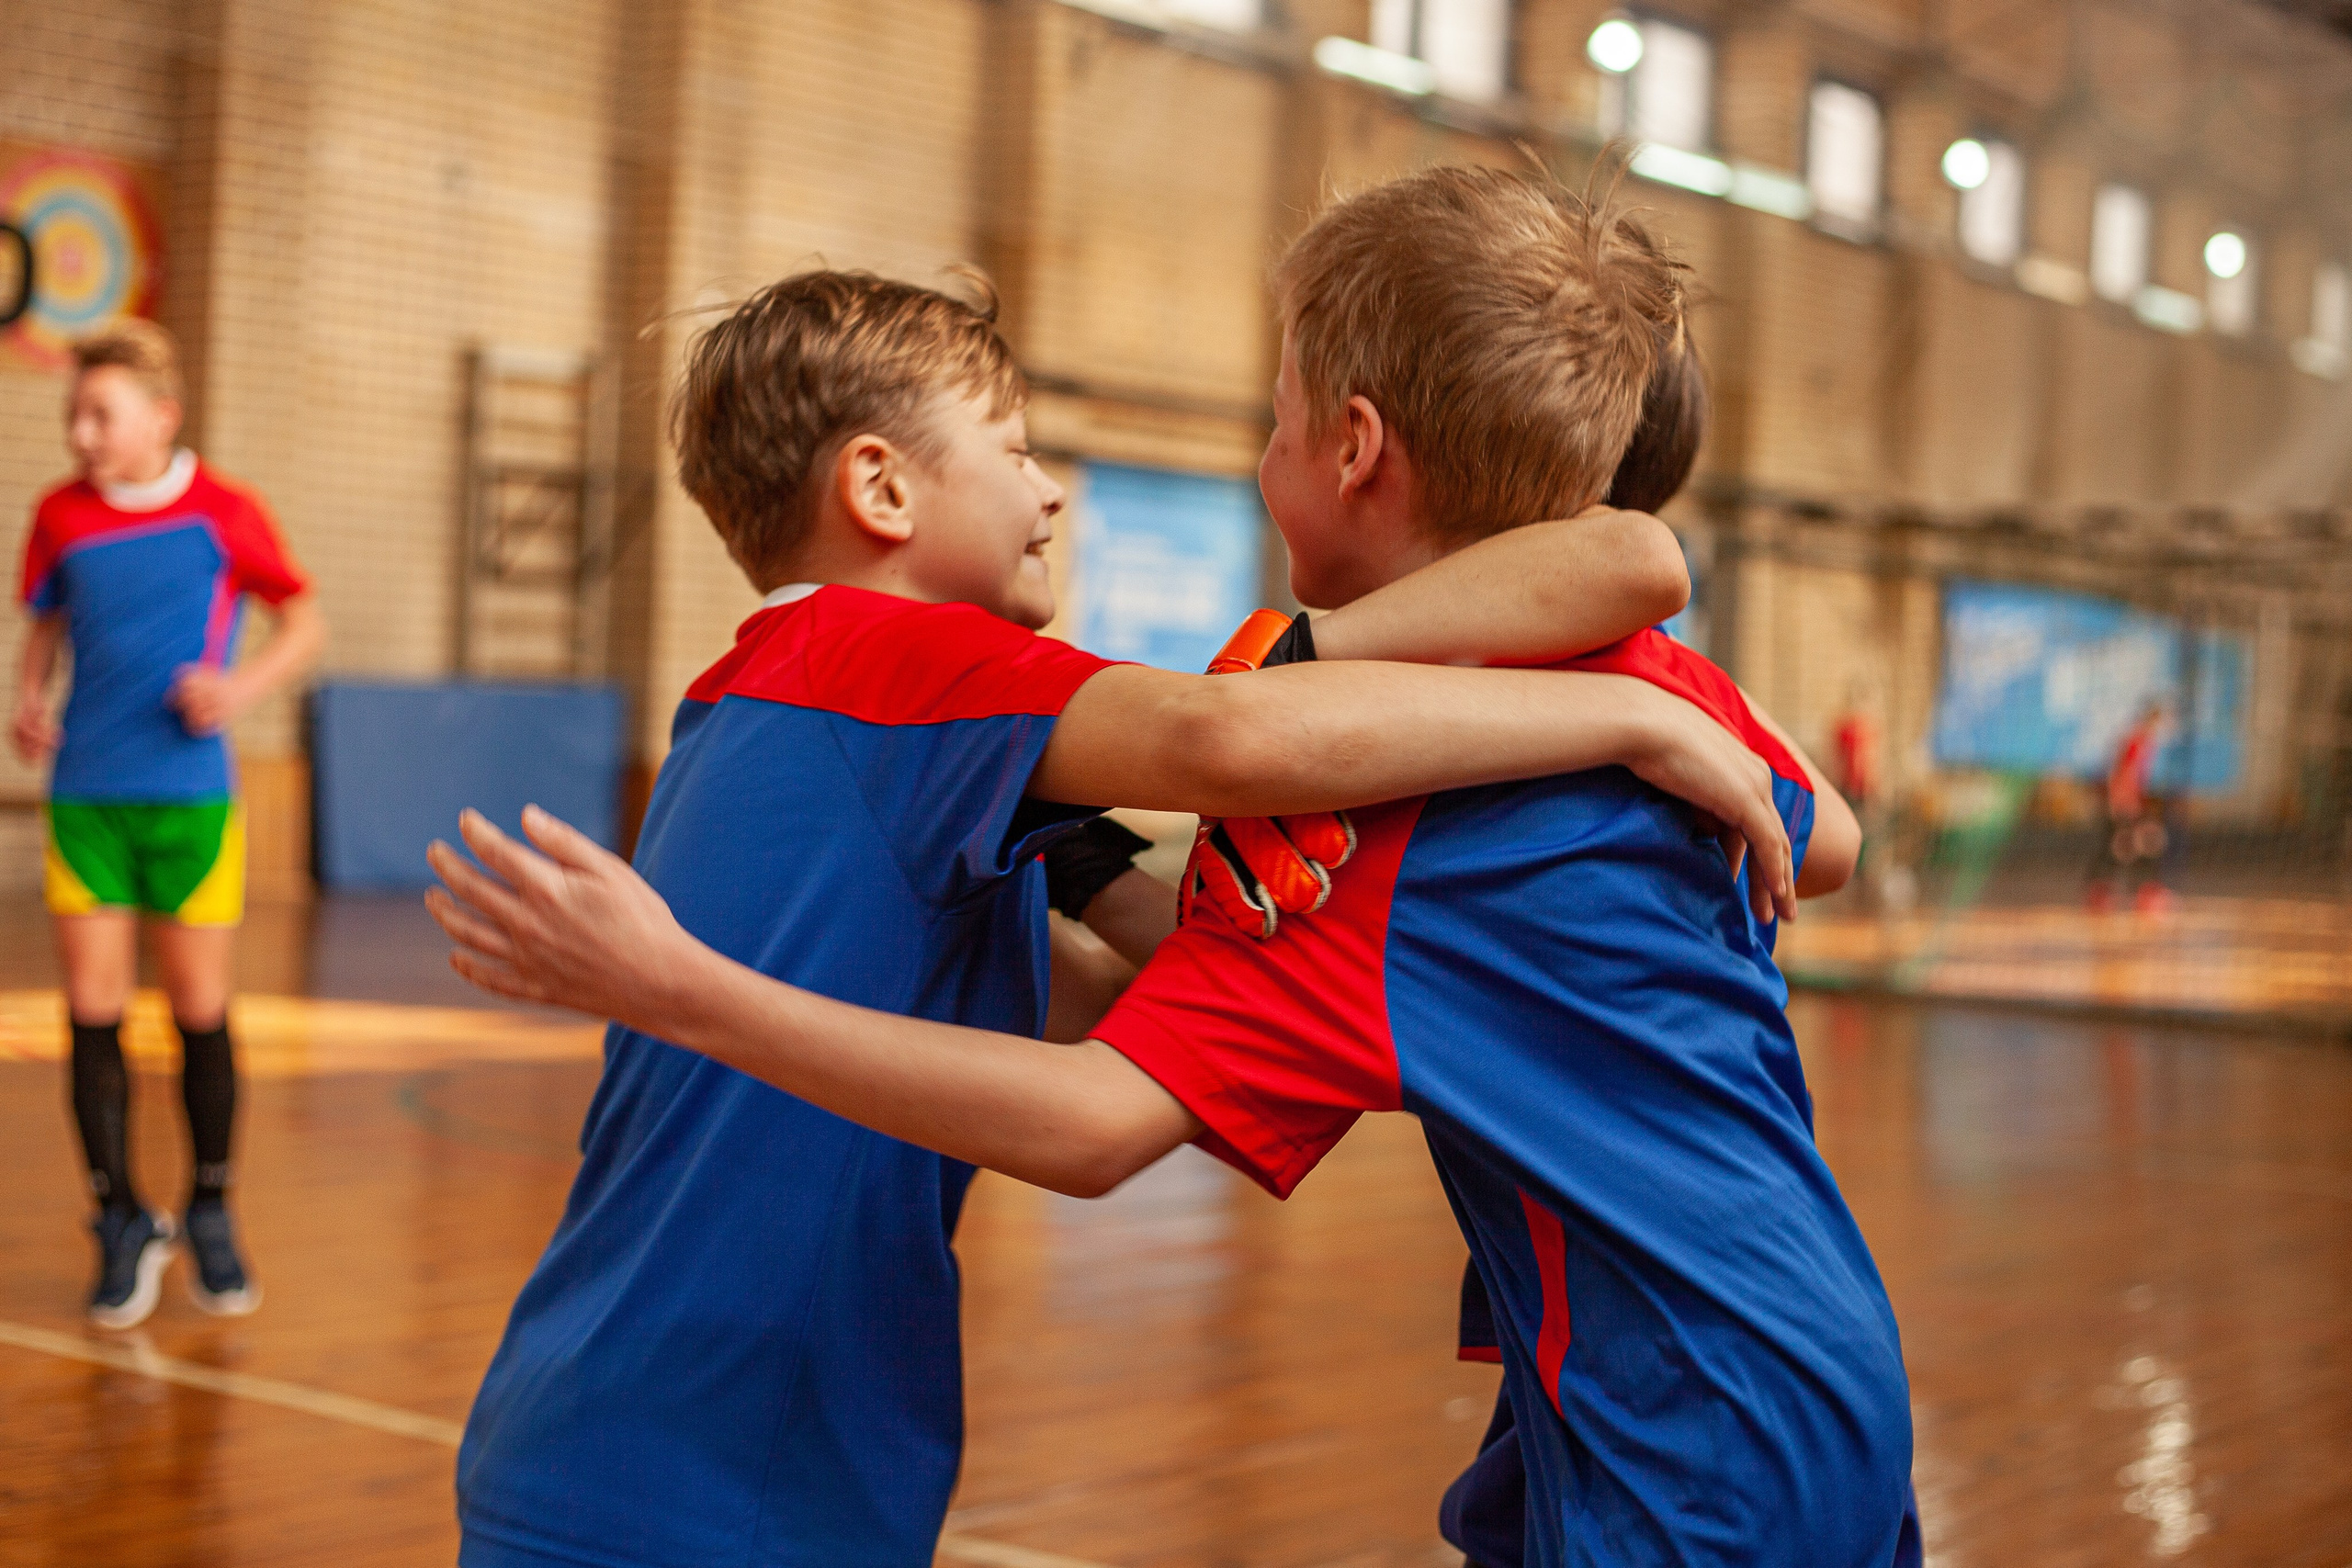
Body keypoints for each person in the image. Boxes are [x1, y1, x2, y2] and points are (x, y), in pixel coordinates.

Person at [427, 164, 1915, 1568]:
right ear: (880, 491)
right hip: (1815, 1370)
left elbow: (1215, 780)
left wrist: (683, 988)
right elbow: (1777, 768)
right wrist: (1638, 704)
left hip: (1671, 1442)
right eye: (1014, 452)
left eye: (1269, 423)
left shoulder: (1363, 825)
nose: (1053, 489)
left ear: (1348, 446)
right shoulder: (1660, 690)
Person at [11, 320, 325, 1329]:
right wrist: (29, 696)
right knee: (92, 1015)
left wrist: (239, 691)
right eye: (74, 414)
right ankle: (119, 1218)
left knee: (199, 1014)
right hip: (88, 798)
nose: (83, 433)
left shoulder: (224, 512)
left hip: (190, 799)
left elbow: (305, 620)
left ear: (162, 417)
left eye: (101, 413)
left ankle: (212, 1208)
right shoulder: (58, 514)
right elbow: (47, 621)